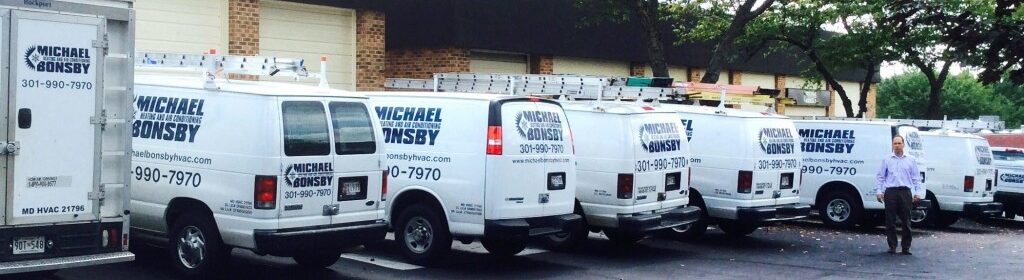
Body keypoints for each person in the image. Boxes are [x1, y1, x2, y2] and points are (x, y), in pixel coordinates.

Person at [875, 135, 923, 255]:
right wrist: (879, 191)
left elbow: (916, 177)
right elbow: (880, 177)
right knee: (890, 221)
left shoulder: (910, 160)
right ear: (892, 145)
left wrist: (918, 192)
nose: (897, 146)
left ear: (903, 145)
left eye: (899, 143)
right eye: (895, 143)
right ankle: (892, 246)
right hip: (891, 192)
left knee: (906, 221)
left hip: (905, 192)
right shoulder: (887, 159)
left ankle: (906, 247)